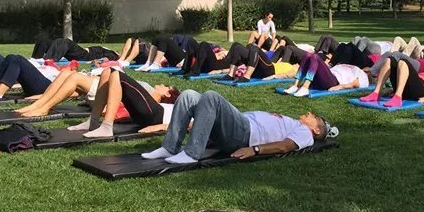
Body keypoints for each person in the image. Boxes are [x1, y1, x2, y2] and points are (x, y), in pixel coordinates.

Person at [139, 89, 337, 164]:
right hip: (237, 126)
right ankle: (169, 147)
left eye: (314, 116)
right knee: (189, 95)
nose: (309, 113)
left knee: (212, 97)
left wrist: (255, 149)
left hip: (244, 135)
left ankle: (192, 154)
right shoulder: (294, 122)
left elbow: (285, 146)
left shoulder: (305, 133)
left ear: (316, 130)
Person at [67, 68, 179, 139]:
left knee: (116, 74)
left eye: (167, 87)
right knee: (107, 72)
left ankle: (107, 127)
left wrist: (162, 126)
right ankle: (93, 121)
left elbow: (191, 125)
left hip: (156, 116)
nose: (163, 85)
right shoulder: (160, 104)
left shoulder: (183, 107)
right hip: (145, 117)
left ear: (168, 94)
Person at [359, 52, 424, 108]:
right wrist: (391, 89)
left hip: (422, 90)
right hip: (410, 87)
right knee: (389, 59)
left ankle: (398, 97)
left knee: (403, 62)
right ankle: (376, 93)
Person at [282, 54, 369, 97]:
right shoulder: (354, 67)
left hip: (333, 82)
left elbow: (354, 84)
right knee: (307, 55)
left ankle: (305, 87)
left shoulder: (364, 76)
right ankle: (295, 85)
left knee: (315, 57)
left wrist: (339, 87)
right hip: (325, 78)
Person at [223, 43, 297, 82]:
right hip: (257, 69)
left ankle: (247, 76)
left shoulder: (294, 69)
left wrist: (274, 76)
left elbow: (288, 75)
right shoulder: (285, 63)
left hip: (269, 71)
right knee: (237, 46)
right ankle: (231, 75)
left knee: (255, 48)